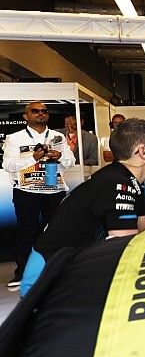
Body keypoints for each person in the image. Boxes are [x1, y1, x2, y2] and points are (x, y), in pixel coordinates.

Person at [19, 118, 145, 296]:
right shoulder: (117, 183)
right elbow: (126, 249)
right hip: (46, 285)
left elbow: (144, 236)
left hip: (71, 275)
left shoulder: (130, 181)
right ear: (143, 152)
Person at [1, 101, 75, 290]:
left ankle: (60, 269)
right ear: (26, 116)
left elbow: (70, 162)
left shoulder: (58, 136)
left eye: (44, 111)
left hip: (54, 190)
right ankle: (23, 272)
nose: (41, 114)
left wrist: (60, 157)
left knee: (57, 230)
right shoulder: (15, 138)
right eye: (35, 111)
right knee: (27, 232)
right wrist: (32, 158)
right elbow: (8, 165)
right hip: (26, 191)